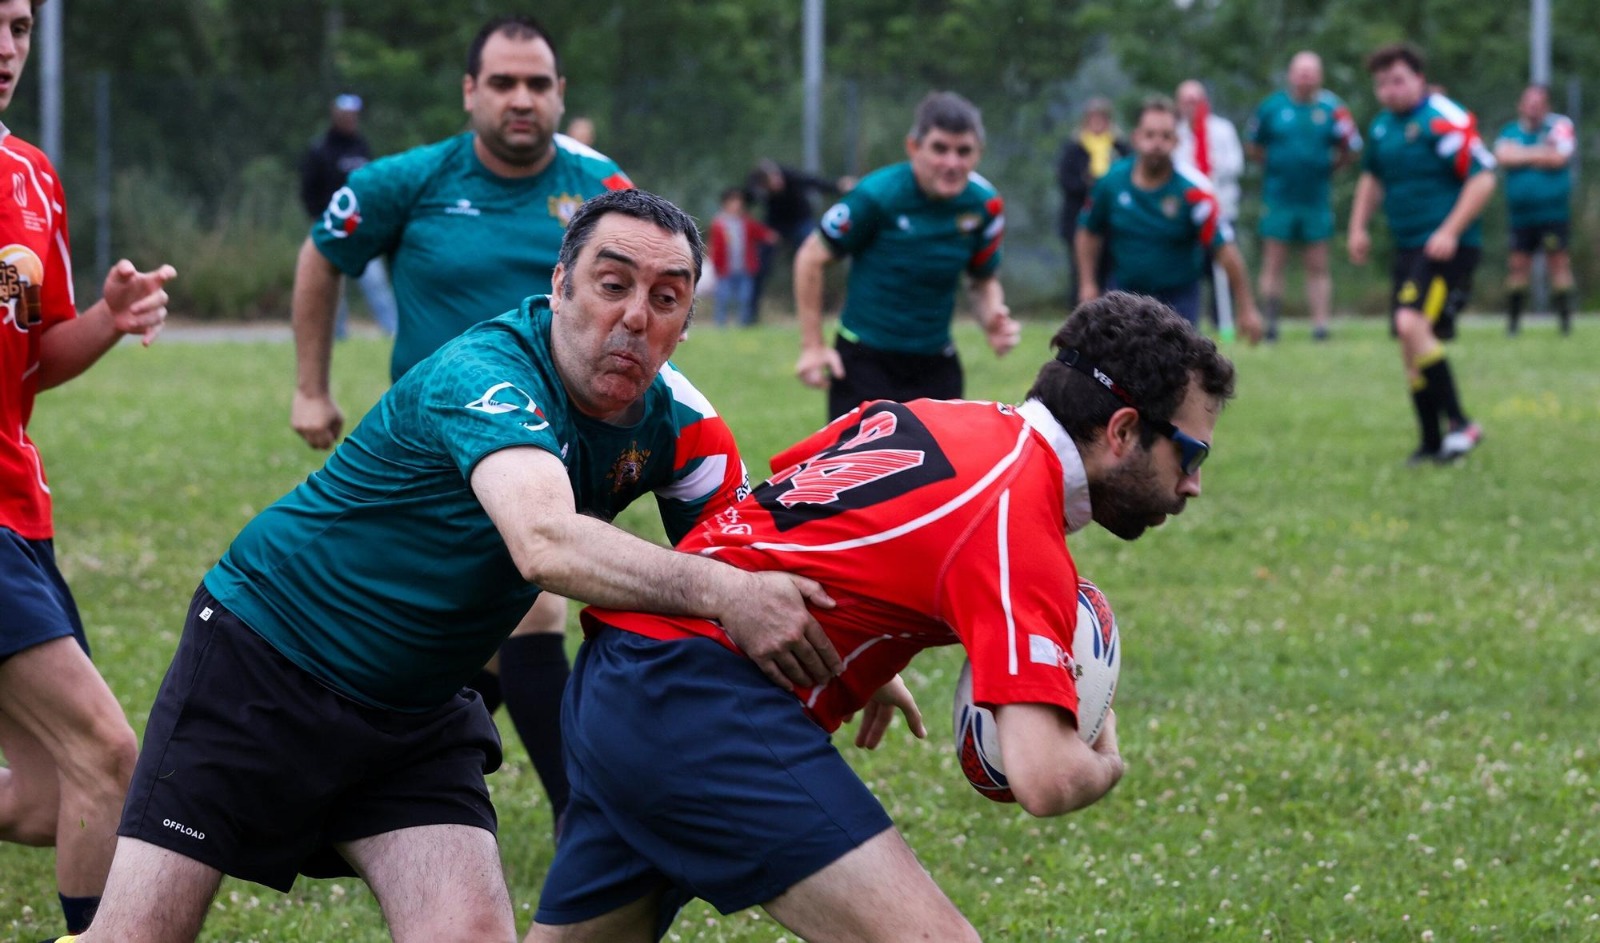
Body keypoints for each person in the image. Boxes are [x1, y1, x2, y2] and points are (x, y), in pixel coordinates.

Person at [66, 190, 841, 943]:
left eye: (667, 298)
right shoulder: (487, 373)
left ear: (687, 323)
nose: (636, 316)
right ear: (560, 285)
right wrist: (730, 592)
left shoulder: (683, 424)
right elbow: (545, 539)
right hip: (266, 660)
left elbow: (758, 559)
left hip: (418, 709)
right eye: (613, 285)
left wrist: (844, 643)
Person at [527, 291, 1237, 943]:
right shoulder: (1018, 520)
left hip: (623, 676)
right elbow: (1043, 776)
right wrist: (1106, 754)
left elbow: (793, 510)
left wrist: (858, 643)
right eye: (1191, 451)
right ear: (1121, 429)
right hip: (698, 703)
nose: (1195, 484)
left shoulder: (926, 414)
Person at [289, 15, 635, 836]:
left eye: (539, 84)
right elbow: (321, 255)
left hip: (558, 447)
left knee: (487, 628)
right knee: (528, 609)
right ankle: (582, 817)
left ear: (560, 94)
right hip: (434, 449)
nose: (523, 99)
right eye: (505, 83)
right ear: (471, 92)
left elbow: (652, 289)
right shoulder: (406, 181)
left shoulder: (602, 188)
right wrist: (311, 387)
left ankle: (364, 777)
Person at [0, 1, 176, 937]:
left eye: (20, 27)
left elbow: (34, 357)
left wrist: (108, 317)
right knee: (105, 755)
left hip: (20, 511)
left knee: (47, 793)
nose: (6, 49)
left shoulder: (31, 176)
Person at [794, 91, 1022, 420]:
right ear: (914, 147)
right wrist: (812, 347)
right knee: (863, 471)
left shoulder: (985, 205)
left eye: (964, 151)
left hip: (936, 364)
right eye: (940, 149)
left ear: (978, 154)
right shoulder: (876, 196)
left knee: (943, 470)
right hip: (865, 362)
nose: (952, 163)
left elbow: (982, 278)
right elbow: (811, 257)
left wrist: (992, 318)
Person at [1348, 43, 1494, 465]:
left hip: (1448, 247)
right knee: (1410, 344)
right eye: (1381, 83)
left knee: (1411, 325)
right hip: (1408, 247)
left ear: (1419, 79)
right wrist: (1358, 226)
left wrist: (1449, 230)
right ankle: (1431, 443)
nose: (1390, 90)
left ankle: (1461, 423)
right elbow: (1372, 179)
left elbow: (1483, 178)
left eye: (1397, 80)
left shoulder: (1441, 118)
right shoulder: (1381, 128)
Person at [1076, 96, 1263, 342]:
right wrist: (1087, 282)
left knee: (1175, 372)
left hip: (1178, 298)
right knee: (1118, 370)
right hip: (1124, 292)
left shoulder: (1194, 191)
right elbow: (1088, 232)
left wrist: (1246, 307)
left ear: (1176, 141)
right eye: (1150, 135)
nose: (1157, 143)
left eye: (1165, 136)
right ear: (1136, 137)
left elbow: (1225, 250)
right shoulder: (1111, 183)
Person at [1247, 52, 1363, 342]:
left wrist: (1330, 167)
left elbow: (1352, 146)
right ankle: (1271, 323)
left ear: (1320, 76)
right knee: (1273, 263)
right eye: (1300, 72)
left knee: (1318, 265)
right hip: (1279, 199)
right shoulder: (1272, 108)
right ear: (1290, 74)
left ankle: (1320, 327)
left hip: (1316, 200)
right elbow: (1254, 146)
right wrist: (1276, 168)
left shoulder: (1333, 109)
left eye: (1311, 72)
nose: (1305, 77)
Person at [298, 93, 398, 340]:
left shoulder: (361, 146)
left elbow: (372, 184)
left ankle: (393, 331)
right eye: (346, 114)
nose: (351, 119)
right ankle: (337, 336)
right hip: (331, 226)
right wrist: (319, 218)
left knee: (375, 282)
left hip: (361, 227)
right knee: (334, 287)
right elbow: (308, 189)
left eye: (355, 114)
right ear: (336, 115)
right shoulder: (320, 149)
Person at [1494, 83, 1576, 336]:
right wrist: (1541, 153)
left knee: (1558, 263)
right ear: (1521, 104)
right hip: (1521, 217)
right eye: (1529, 103)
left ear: (1546, 106)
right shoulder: (1509, 131)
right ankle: (1513, 324)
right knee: (1518, 266)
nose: (1533, 108)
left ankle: (1564, 322)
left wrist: (1522, 155)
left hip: (1552, 215)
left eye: (1539, 104)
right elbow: (1503, 157)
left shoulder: (1559, 127)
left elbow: (1559, 158)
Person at [1175, 79, 1245, 339]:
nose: (1192, 106)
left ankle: (1224, 322)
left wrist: (1210, 171)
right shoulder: (1176, 133)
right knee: (1193, 270)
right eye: (1186, 101)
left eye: (1196, 100)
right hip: (1189, 217)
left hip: (1221, 211)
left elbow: (1235, 164)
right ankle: (1188, 322)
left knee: (1224, 267)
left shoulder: (1222, 130)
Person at [747, 158, 849, 322]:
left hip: (800, 220)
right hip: (776, 225)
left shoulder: (789, 174)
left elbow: (813, 182)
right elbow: (746, 197)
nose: (777, 183)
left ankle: (818, 308)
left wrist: (837, 185)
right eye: (772, 183)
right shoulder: (757, 186)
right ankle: (749, 315)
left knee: (813, 255)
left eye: (776, 178)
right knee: (761, 263)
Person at [1057, 96, 1130, 305]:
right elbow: (1065, 180)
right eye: (1093, 118)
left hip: (1111, 223)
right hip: (1078, 220)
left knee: (1109, 271)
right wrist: (1090, 185)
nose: (1097, 123)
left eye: (1102, 118)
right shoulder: (1074, 147)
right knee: (1081, 273)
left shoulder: (1119, 147)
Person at [707, 187, 777, 327]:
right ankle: (720, 325)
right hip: (725, 269)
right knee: (723, 299)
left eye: (739, 202)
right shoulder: (719, 224)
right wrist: (714, 264)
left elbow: (759, 232)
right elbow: (714, 246)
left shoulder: (746, 222)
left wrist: (769, 235)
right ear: (725, 203)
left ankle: (743, 324)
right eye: (733, 201)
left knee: (745, 298)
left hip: (745, 268)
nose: (737, 205)